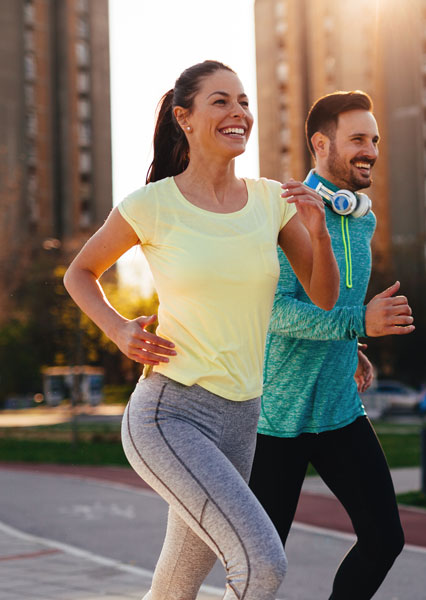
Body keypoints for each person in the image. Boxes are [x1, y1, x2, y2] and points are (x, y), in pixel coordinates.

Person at [63, 60, 339, 600]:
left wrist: (320, 235)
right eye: (221, 101)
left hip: (241, 418)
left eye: (243, 102)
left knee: (174, 589)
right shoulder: (152, 204)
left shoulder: (269, 202)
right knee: (262, 565)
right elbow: (80, 272)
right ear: (184, 118)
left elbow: (322, 296)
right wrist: (119, 331)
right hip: (170, 414)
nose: (239, 112)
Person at [249, 90, 415, 599]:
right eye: (358, 139)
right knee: (262, 562)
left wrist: (353, 344)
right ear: (321, 144)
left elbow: (332, 302)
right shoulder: (284, 213)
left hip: (340, 409)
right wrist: (355, 323)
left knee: (385, 538)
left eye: (375, 140)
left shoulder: (362, 217)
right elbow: (274, 312)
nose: (371, 150)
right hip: (277, 418)